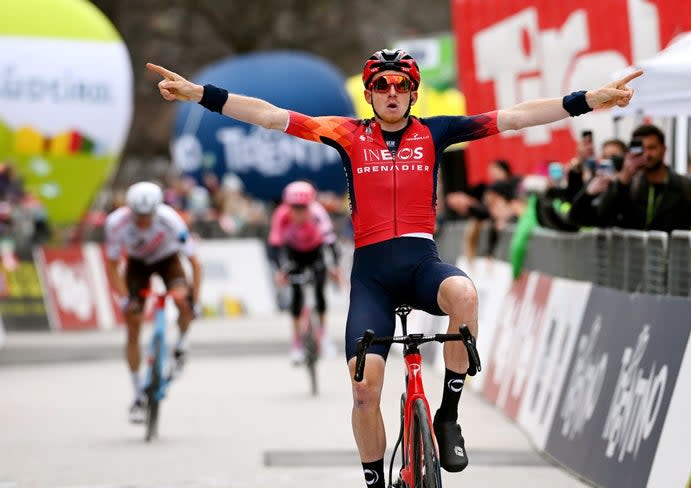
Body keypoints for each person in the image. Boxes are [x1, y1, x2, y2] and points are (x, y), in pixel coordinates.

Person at [147, 50, 641, 486]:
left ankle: (447, 417)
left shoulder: (437, 131)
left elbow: (513, 117)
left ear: (412, 91)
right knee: (365, 392)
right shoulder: (346, 133)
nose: (391, 91)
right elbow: (271, 116)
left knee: (465, 297)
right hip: (373, 281)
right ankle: (374, 482)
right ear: (367, 94)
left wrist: (586, 100)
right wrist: (199, 95)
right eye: (380, 84)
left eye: (400, 83)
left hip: (423, 265)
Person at [104, 181, 202, 424]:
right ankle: (137, 395)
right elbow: (113, 266)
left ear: (157, 210)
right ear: (130, 210)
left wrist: (194, 300)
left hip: (168, 260)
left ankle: (181, 344)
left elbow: (195, 263)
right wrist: (125, 298)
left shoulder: (171, 220)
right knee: (133, 323)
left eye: (148, 216)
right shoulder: (117, 224)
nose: (143, 222)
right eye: (138, 216)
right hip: (137, 265)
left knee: (182, 301)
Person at [570, 125, 691, 232]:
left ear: (663, 149)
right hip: (634, 268)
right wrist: (623, 179)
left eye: (652, 148)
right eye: (641, 149)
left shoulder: (688, 187)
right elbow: (584, 218)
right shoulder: (627, 185)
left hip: (675, 269)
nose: (646, 155)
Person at [267, 180, 342, 363]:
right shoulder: (281, 215)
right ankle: (297, 344)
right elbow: (274, 245)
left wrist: (335, 267)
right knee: (296, 297)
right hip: (294, 254)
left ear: (310, 205)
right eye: (294, 207)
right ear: (287, 206)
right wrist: (280, 271)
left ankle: (324, 337)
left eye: (303, 207)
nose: (299, 212)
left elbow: (331, 242)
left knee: (320, 292)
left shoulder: (317, 213)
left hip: (315, 252)